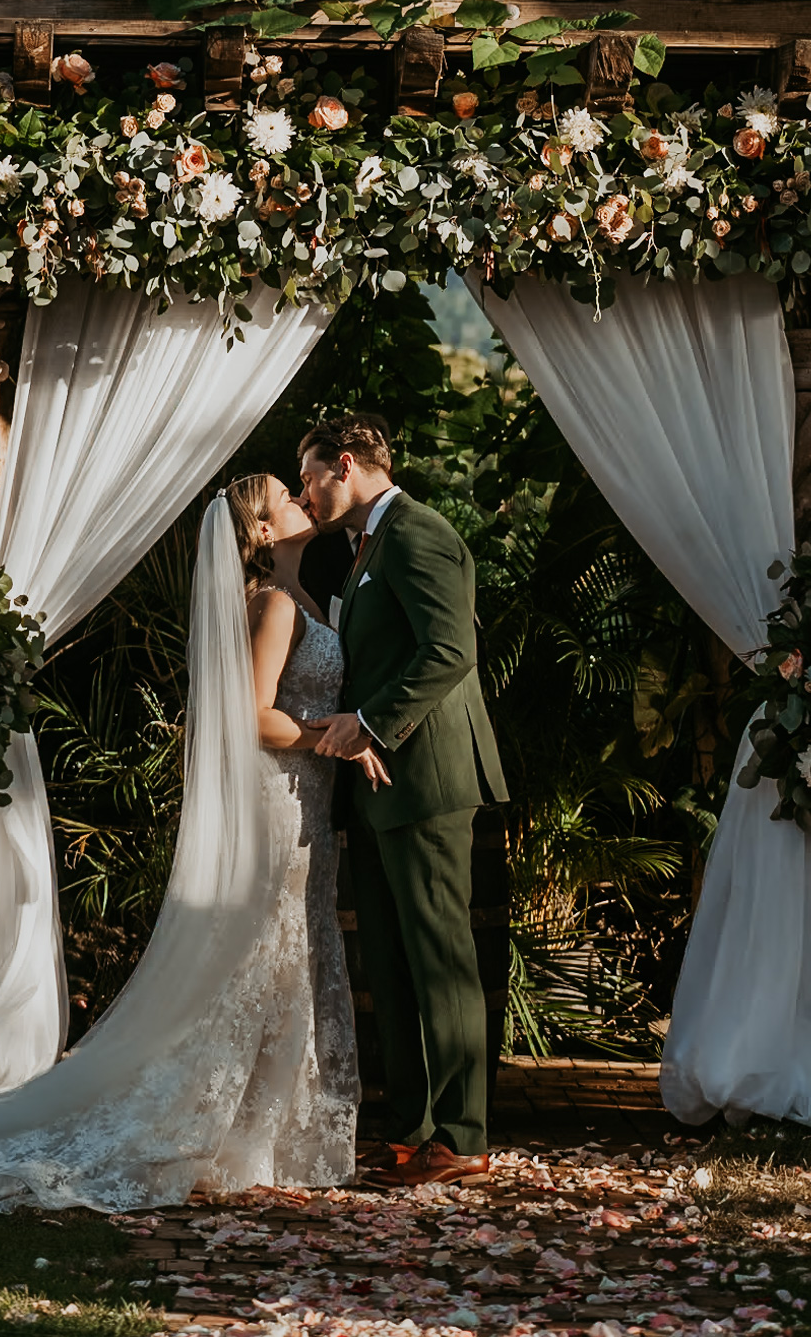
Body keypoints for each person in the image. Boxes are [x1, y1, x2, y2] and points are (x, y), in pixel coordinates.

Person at [0, 482, 363, 1210]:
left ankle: (265, 1134)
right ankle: (229, 1129)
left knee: (288, 957)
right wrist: (335, 736)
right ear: (263, 532)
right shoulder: (270, 606)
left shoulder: (307, 602)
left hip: (306, 805)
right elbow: (252, 718)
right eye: (284, 495)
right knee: (259, 957)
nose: (302, 496)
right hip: (279, 797)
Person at [300, 413, 508, 1188]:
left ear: (344, 464)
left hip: (426, 778)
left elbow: (452, 649)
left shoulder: (420, 533)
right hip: (381, 788)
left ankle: (462, 1134)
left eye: (308, 475)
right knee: (390, 963)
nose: (303, 491)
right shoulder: (362, 551)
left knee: (440, 958)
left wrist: (372, 726)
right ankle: (412, 1128)